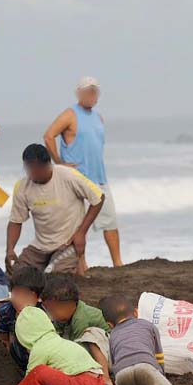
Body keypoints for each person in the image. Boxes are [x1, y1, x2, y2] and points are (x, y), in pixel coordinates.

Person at [44, 77, 123, 267]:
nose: (91, 95)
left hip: (99, 178)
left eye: (94, 92)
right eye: (88, 91)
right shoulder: (70, 114)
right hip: (77, 179)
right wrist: (60, 163)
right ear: (79, 93)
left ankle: (118, 263)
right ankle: (81, 265)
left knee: (110, 222)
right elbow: (48, 136)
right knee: (78, 226)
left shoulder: (99, 117)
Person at [5, 144, 104, 276]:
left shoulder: (68, 176)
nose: (32, 174)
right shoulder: (22, 186)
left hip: (67, 244)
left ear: (47, 165)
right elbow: (16, 221)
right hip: (39, 247)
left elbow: (98, 198)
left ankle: (76, 269)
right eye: (28, 168)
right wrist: (10, 249)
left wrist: (81, 233)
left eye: (36, 170)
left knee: (54, 277)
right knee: (15, 276)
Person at [99, 294, 185, 385]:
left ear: (110, 325)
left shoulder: (113, 335)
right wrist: (160, 375)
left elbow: (115, 362)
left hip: (122, 373)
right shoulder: (148, 325)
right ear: (136, 312)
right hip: (145, 367)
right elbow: (158, 355)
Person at [10, 306, 105, 385]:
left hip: (82, 384)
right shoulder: (59, 341)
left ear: (24, 335)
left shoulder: (40, 347)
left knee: (38, 371)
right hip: (99, 383)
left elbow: (31, 377)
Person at [41, 276, 112, 385]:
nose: (52, 315)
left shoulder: (82, 318)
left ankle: (105, 378)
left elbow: (77, 350)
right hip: (86, 352)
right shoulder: (62, 318)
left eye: (53, 310)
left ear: (70, 305)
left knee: (91, 334)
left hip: (108, 355)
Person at [0, 266, 46, 374]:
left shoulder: (44, 314)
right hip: (18, 358)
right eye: (16, 293)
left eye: (26, 294)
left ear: (39, 297)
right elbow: (4, 341)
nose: (20, 300)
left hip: (42, 359)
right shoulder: (5, 312)